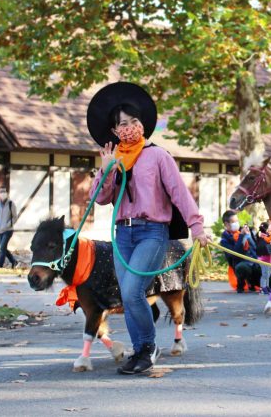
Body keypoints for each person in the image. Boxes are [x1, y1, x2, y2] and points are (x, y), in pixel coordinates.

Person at [88, 82, 209, 375]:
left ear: (142, 123)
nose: (129, 127)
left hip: (152, 232)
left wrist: (197, 226)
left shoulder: (158, 156)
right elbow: (101, 199)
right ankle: (141, 350)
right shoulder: (113, 159)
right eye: (122, 124)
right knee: (129, 297)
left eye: (133, 121)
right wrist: (105, 171)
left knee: (131, 291)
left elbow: (180, 192)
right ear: (115, 131)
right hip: (122, 235)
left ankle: (147, 348)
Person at [220, 211, 261, 293]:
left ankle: (253, 284)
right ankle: (241, 284)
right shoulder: (225, 240)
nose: (236, 223)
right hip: (239, 265)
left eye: (237, 221)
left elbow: (256, 248)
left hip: (253, 263)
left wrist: (250, 236)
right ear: (226, 224)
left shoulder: (242, 231)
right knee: (243, 267)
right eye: (233, 222)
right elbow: (236, 254)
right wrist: (241, 237)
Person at [0, 186, 18, 269]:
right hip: (0, 230)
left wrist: (9, 224)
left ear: (7, 193)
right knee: (3, 248)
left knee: (2, 248)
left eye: (4, 192)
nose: (2, 193)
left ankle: (0, 265)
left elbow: (15, 217)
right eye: (1, 192)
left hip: (8, 230)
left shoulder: (11, 204)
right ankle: (14, 261)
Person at [255, 221, 271, 294]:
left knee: (268, 273)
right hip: (263, 259)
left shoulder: (269, 237)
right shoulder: (261, 237)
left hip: (269, 259)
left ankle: (266, 286)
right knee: (265, 274)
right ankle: (262, 287)